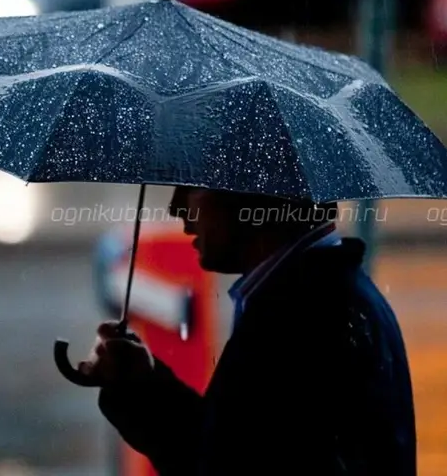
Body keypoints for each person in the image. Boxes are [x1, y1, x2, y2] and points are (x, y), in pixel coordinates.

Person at [77, 186, 417, 475]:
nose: (177, 208)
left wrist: (139, 393)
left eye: (194, 189)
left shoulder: (291, 321)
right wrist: (139, 385)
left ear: (251, 198)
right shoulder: (332, 295)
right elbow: (230, 450)